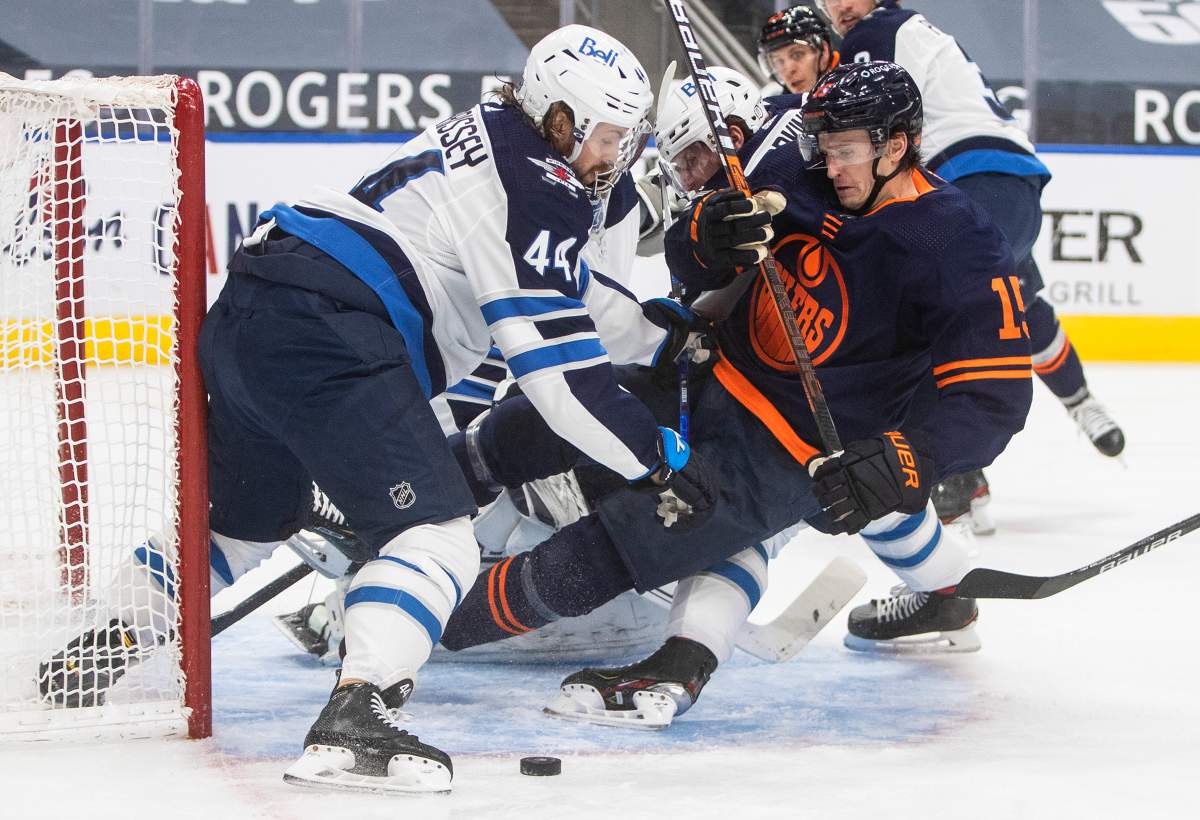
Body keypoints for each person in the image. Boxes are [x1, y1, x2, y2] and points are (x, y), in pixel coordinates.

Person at [38, 24, 715, 796]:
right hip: (332, 333)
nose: (612, 158)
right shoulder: (542, 185)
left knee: (245, 519)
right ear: (559, 119)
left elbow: (578, 296)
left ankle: (108, 636)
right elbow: (560, 379)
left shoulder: (491, 135)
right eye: (605, 138)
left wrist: (662, 335)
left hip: (254, 310)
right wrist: (658, 459)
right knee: (435, 532)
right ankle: (355, 718)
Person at [437, 62, 1033, 724]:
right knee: (537, 425)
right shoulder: (793, 167)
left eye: (847, 152)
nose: (830, 167)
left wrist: (912, 457)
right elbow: (688, 258)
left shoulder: (958, 240)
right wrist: (708, 233)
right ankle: (406, 503)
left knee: (607, 550)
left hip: (787, 451)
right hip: (705, 372)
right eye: (824, 147)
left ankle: (430, 628)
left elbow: (994, 398)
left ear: (897, 145)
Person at [818, 0, 1127, 536]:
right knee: (1017, 303)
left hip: (966, 177)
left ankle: (956, 479)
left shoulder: (877, 32)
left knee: (920, 317)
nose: (841, 6)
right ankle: (1080, 402)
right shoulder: (909, 29)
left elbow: (840, 127)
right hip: (1008, 180)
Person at [757, 4, 836, 97]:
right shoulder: (774, 105)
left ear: (824, 52)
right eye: (779, 61)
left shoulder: (855, 81)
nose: (789, 70)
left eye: (797, 55)